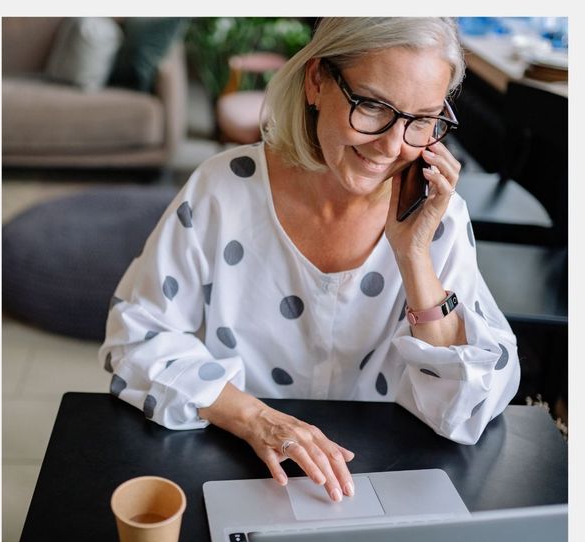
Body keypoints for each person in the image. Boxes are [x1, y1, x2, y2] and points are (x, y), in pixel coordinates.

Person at [99, 17, 520, 504]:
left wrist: (414, 255)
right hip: (241, 464)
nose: (391, 145)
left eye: (422, 120)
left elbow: (468, 407)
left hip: (384, 480)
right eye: (372, 106)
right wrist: (257, 419)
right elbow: (134, 338)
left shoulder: (435, 216)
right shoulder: (223, 190)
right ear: (317, 79)